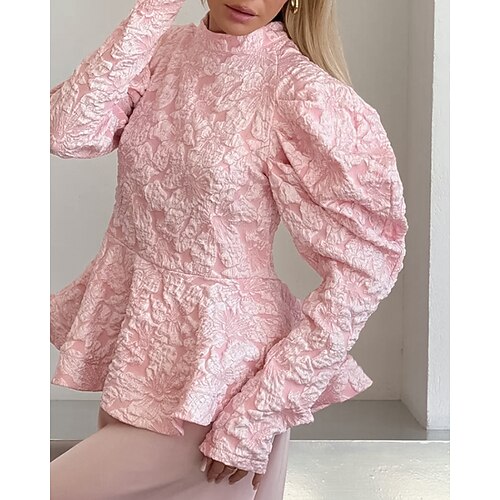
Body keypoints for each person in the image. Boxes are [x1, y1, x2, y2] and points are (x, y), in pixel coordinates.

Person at [49, 0, 409, 498]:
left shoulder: (302, 92)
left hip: (221, 383)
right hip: (135, 359)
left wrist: (261, 412)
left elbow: (368, 265)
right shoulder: (165, 49)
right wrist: (153, 10)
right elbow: (65, 132)